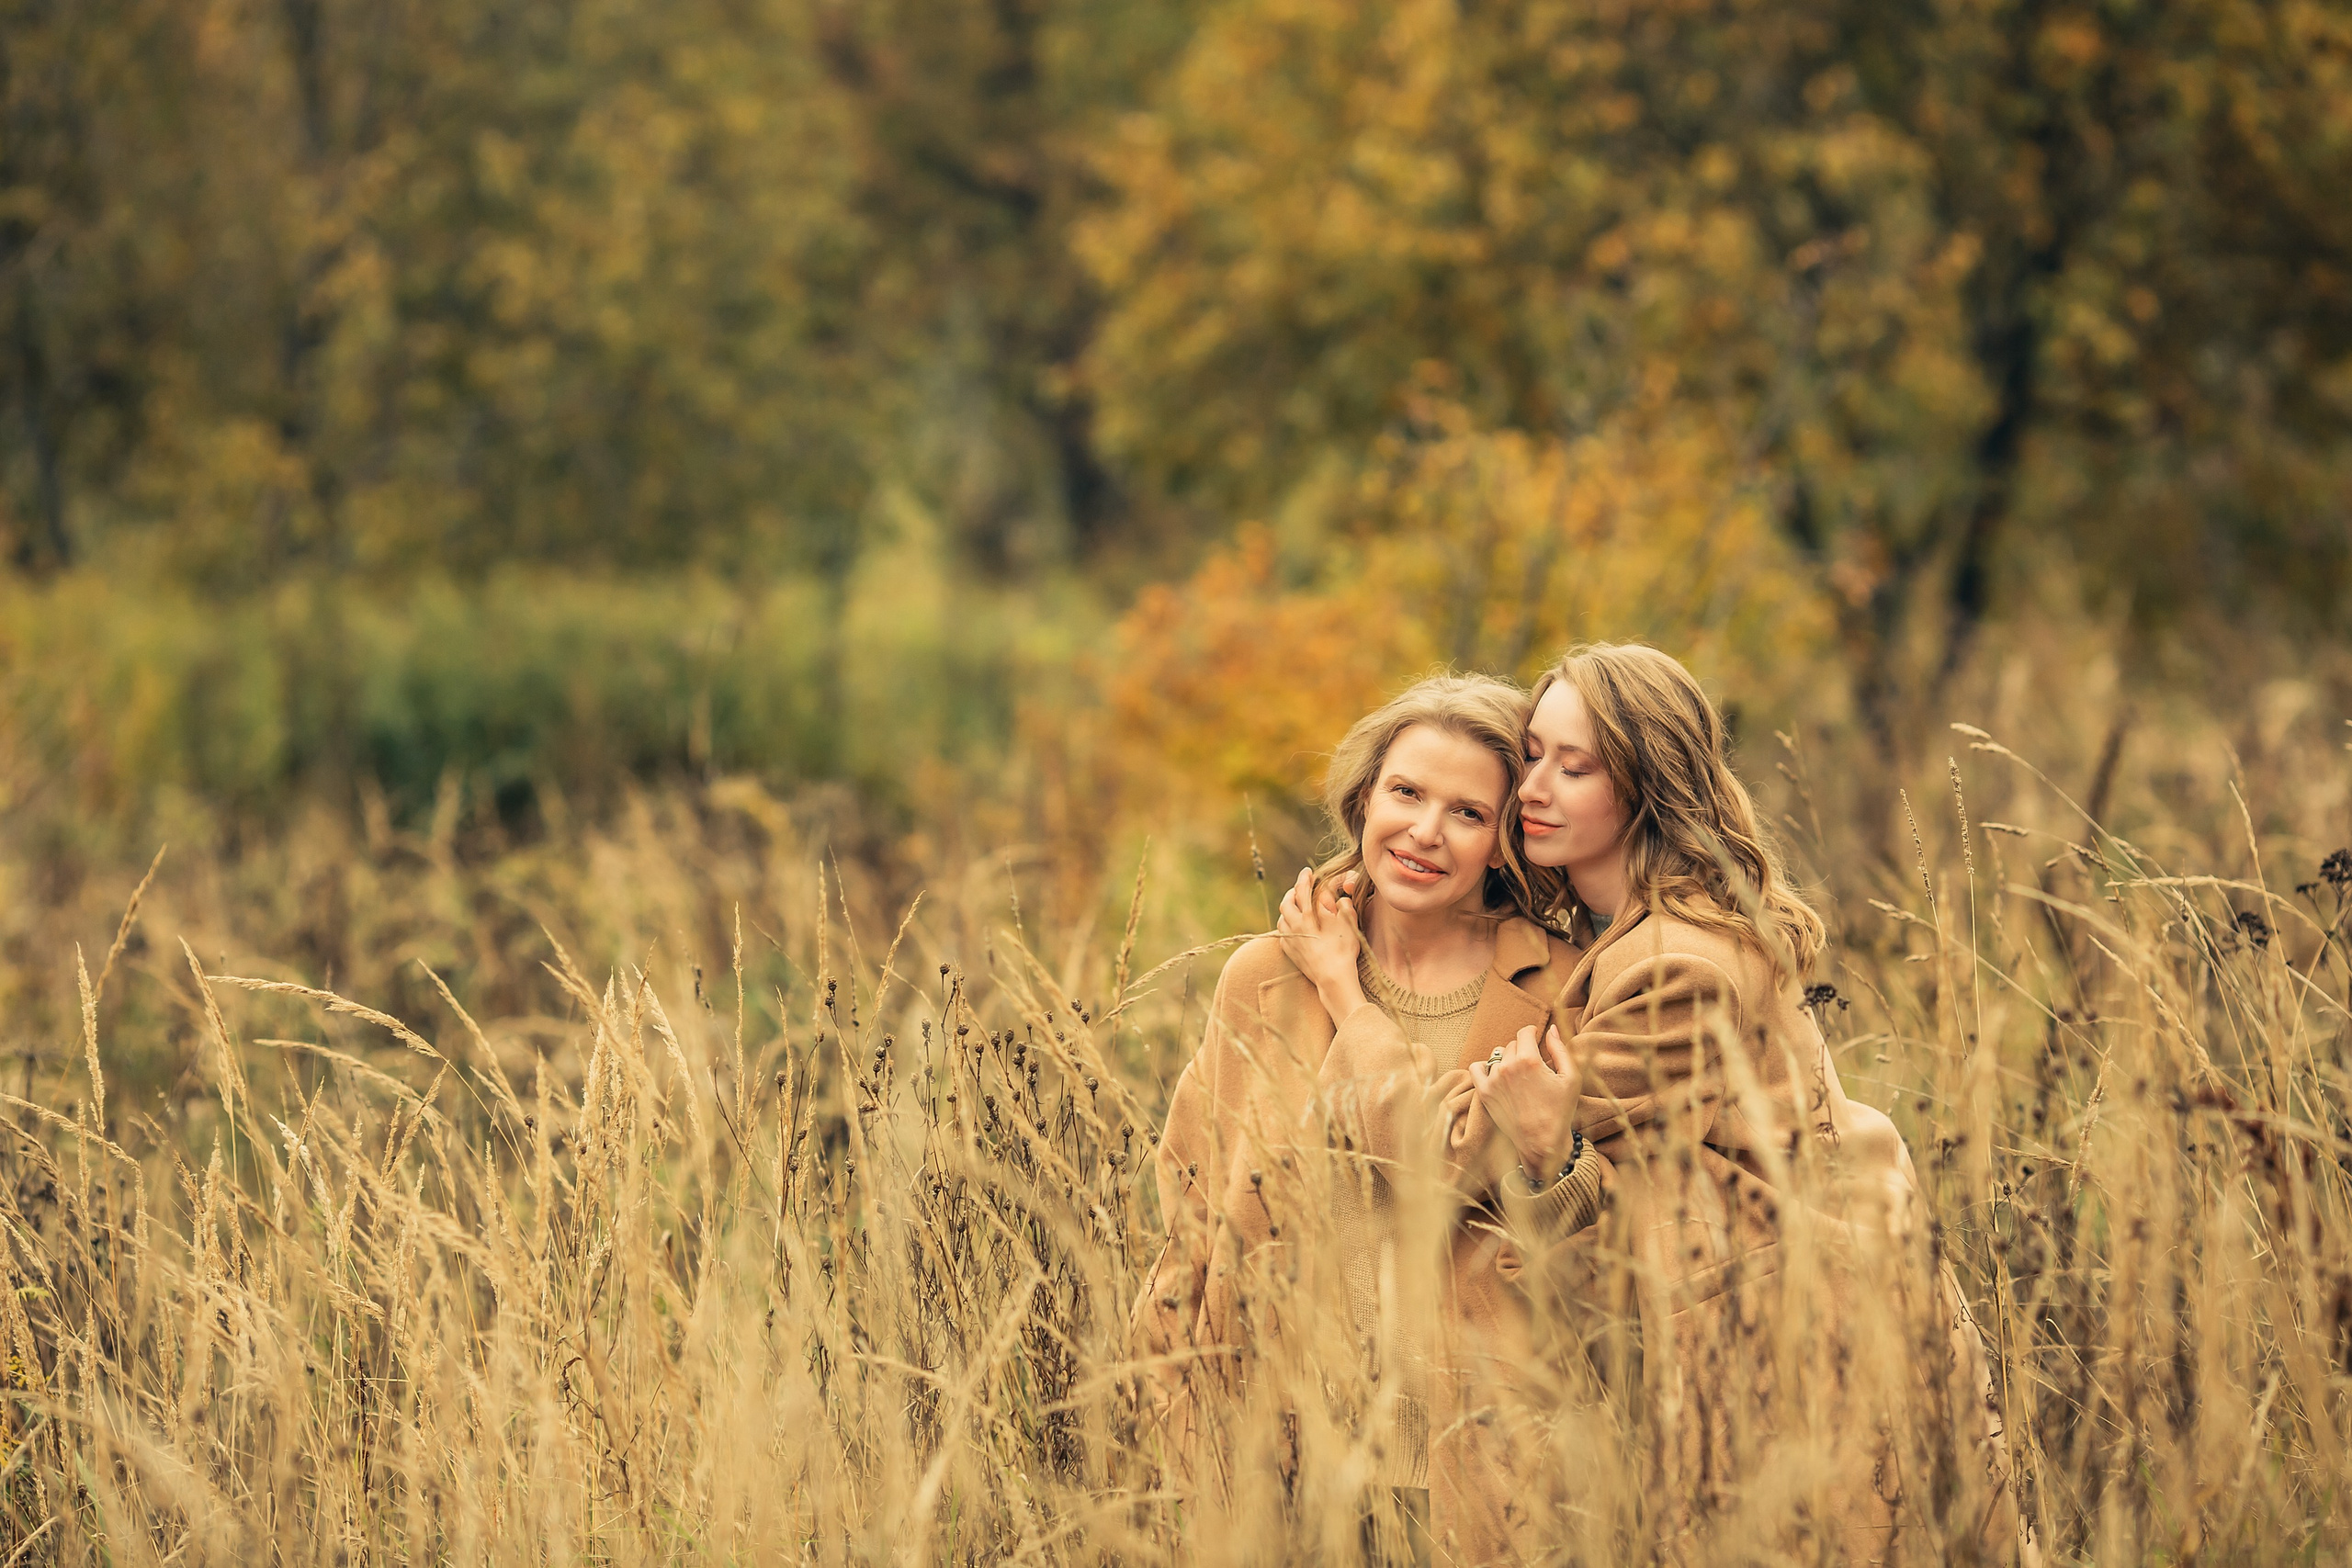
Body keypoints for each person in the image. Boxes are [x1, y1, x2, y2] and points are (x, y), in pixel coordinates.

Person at [1457, 641, 2026, 1562]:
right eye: (1530, 754)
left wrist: (1353, 1013)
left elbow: (1485, 1126)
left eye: (1576, 766)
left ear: (1647, 784)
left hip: (1794, 1345)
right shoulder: (1634, 922)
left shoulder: (1676, 962)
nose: (1533, 788)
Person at [1130, 674, 1604, 1566]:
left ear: (1504, 842)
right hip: (1279, 1449)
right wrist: (1175, 1412)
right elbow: (1191, 1207)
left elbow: (1524, 1210)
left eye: (1468, 813)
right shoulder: (1264, 978)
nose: (1424, 831)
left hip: (1477, 1458)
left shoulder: (1558, 987)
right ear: (1364, 800)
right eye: (1406, 792)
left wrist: (1345, 991)